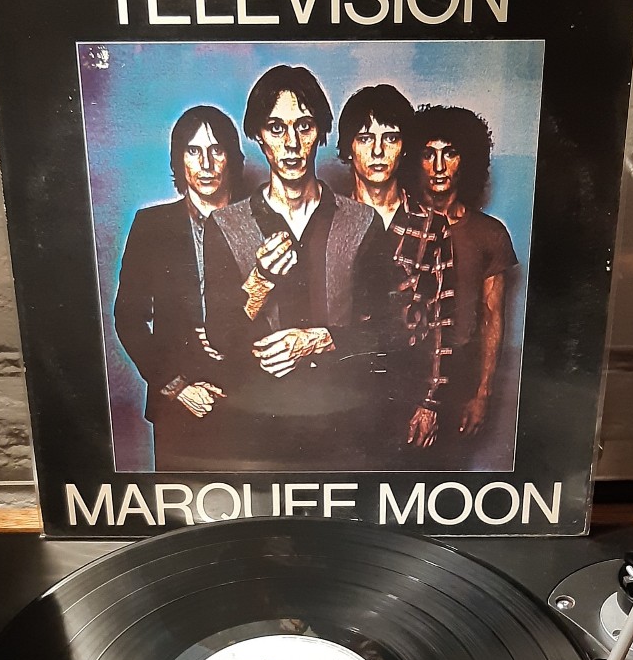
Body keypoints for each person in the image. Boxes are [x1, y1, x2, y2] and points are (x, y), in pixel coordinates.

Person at [203, 65, 385, 469]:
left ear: (320, 132)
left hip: (345, 428)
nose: (291, 143)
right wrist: (259, 282)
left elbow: (387, 331)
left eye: (304, 126)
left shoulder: (362, 222)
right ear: (258, 136)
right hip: (258, 430)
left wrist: (318, 340)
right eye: (276, 128)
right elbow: (220, 336)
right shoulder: (226, 225)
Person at [113, 105, 243, 471]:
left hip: (251, 401)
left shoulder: (261, 222)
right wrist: (178, 387)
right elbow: (129, 319)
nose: (206, 163)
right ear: (178, 160)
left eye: (216, 150)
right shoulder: (151, 226)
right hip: (177, 404)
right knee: (182, 502)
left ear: (231, 158)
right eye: (193, 151)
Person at [337, 84, 454, 457]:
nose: (377, 151)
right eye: (364, 138)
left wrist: (430, 402)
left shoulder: (431, 225)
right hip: (340, 386)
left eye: (389, 138)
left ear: (404, 147)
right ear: (348, 148)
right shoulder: (328, 219)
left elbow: (442, 319)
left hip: (406, 387)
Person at [404, 105, 517, 455]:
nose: (439, 166)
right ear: (414, 161)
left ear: (466, 159)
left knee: (447, 478)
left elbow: (493, 317)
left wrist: (482, 394)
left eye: (449, 153)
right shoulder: (397, 225)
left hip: (459, 381)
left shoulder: (490, 234)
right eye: (428, 154)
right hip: (403, 376)